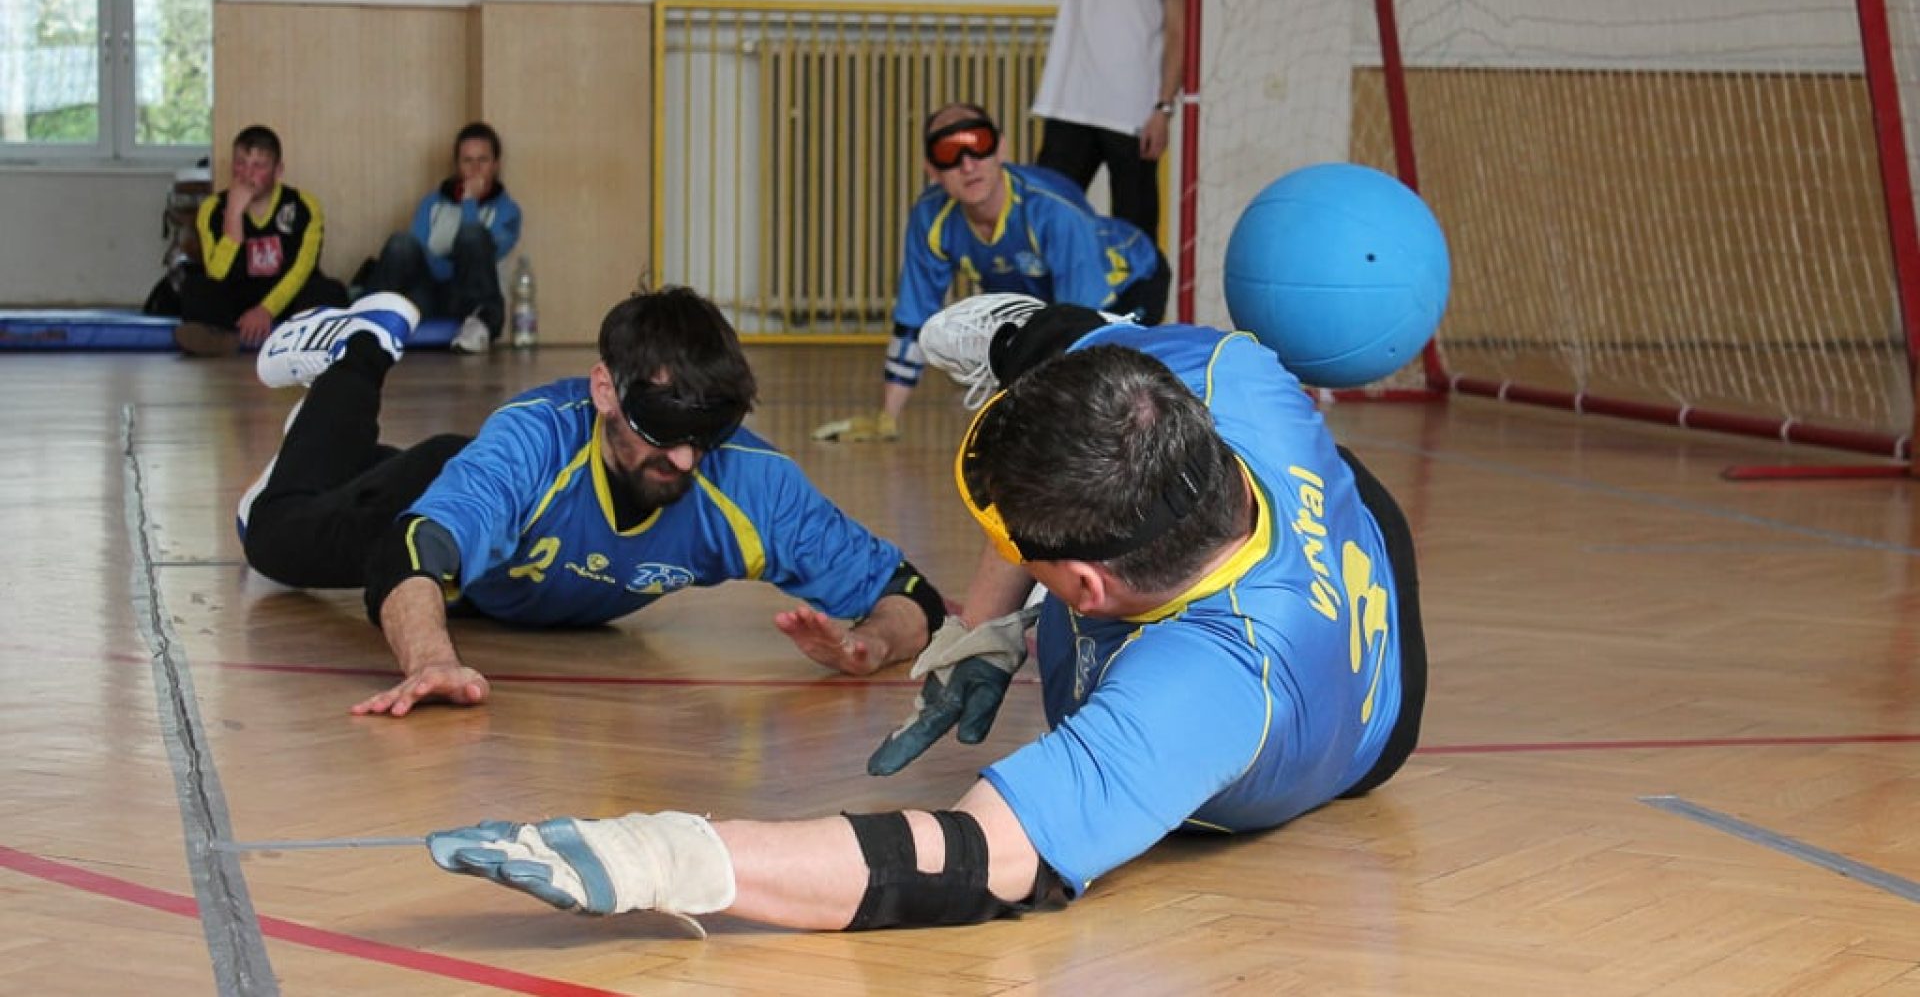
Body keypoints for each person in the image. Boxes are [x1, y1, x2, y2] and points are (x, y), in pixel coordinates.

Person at [425, 297, 1427, 935]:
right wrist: (976, 628)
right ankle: (1017, 335)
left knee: (1077, 621)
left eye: (1019, 555)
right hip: (1335, 519)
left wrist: (679, 857)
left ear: (1078, 591)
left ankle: (1027, 355)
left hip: (1355, 729)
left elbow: (973, 859)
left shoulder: (1200, 689)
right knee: (1079, 346)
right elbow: (1101, 419)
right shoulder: (1226, 376)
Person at [239, 286, 949, 717]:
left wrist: (873, 645)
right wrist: (429, 661)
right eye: (662, 431)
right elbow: (414, 547)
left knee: (338, 492)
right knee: (271, 534)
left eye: (707, 434)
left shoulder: (746, 481)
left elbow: (908, 591)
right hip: (439, 488)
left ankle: (343, 458)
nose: (684, 459)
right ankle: (359, 348)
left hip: (498, 549)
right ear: (605, 390)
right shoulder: (534, 441)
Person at [813, 103, 1170, 442]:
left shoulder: (1051, 210)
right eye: (948, 153)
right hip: (1045, 300)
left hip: (1128, 282)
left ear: (1001, 149)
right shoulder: (932, 218)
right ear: (931, 170)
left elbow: (1082, 327)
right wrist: (886, 418)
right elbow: (913, 320)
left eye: (978, 145)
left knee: (1106, 386)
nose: (968, 165)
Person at [1032, 0, 1187, 242]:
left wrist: (1164, 107)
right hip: (1069, 103)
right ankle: (1044, 295)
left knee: (1135, 231)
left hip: (1133, 112)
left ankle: (1139, 296)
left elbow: (1178, 34)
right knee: (1043, 219)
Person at [176, 125, 347, 357]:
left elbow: (302, 269)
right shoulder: (212, 208)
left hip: (286, 296)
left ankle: (303, 337)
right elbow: (216, 274)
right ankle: (220, 339)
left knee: (329, 290)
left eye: (258, 166)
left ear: (278, 171)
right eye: (240, 163)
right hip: (236, 296)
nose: (247, 174)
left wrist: (267, 310)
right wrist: (234, 218)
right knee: (196, 286)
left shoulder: (304, 205)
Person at [361, 121, 524, 355]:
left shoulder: (508, 211)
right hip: (427, 294)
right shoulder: (432, 204)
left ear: (496, 165)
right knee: (401, 243)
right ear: (457, 166)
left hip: (468, 300)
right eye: (467, 161)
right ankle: (364, 324)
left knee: (474, 235)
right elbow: (417, 249)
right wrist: (446, 266)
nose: (475, 169)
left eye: (483, 160)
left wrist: (469, 202)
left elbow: (484, 258)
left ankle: (480, 326)